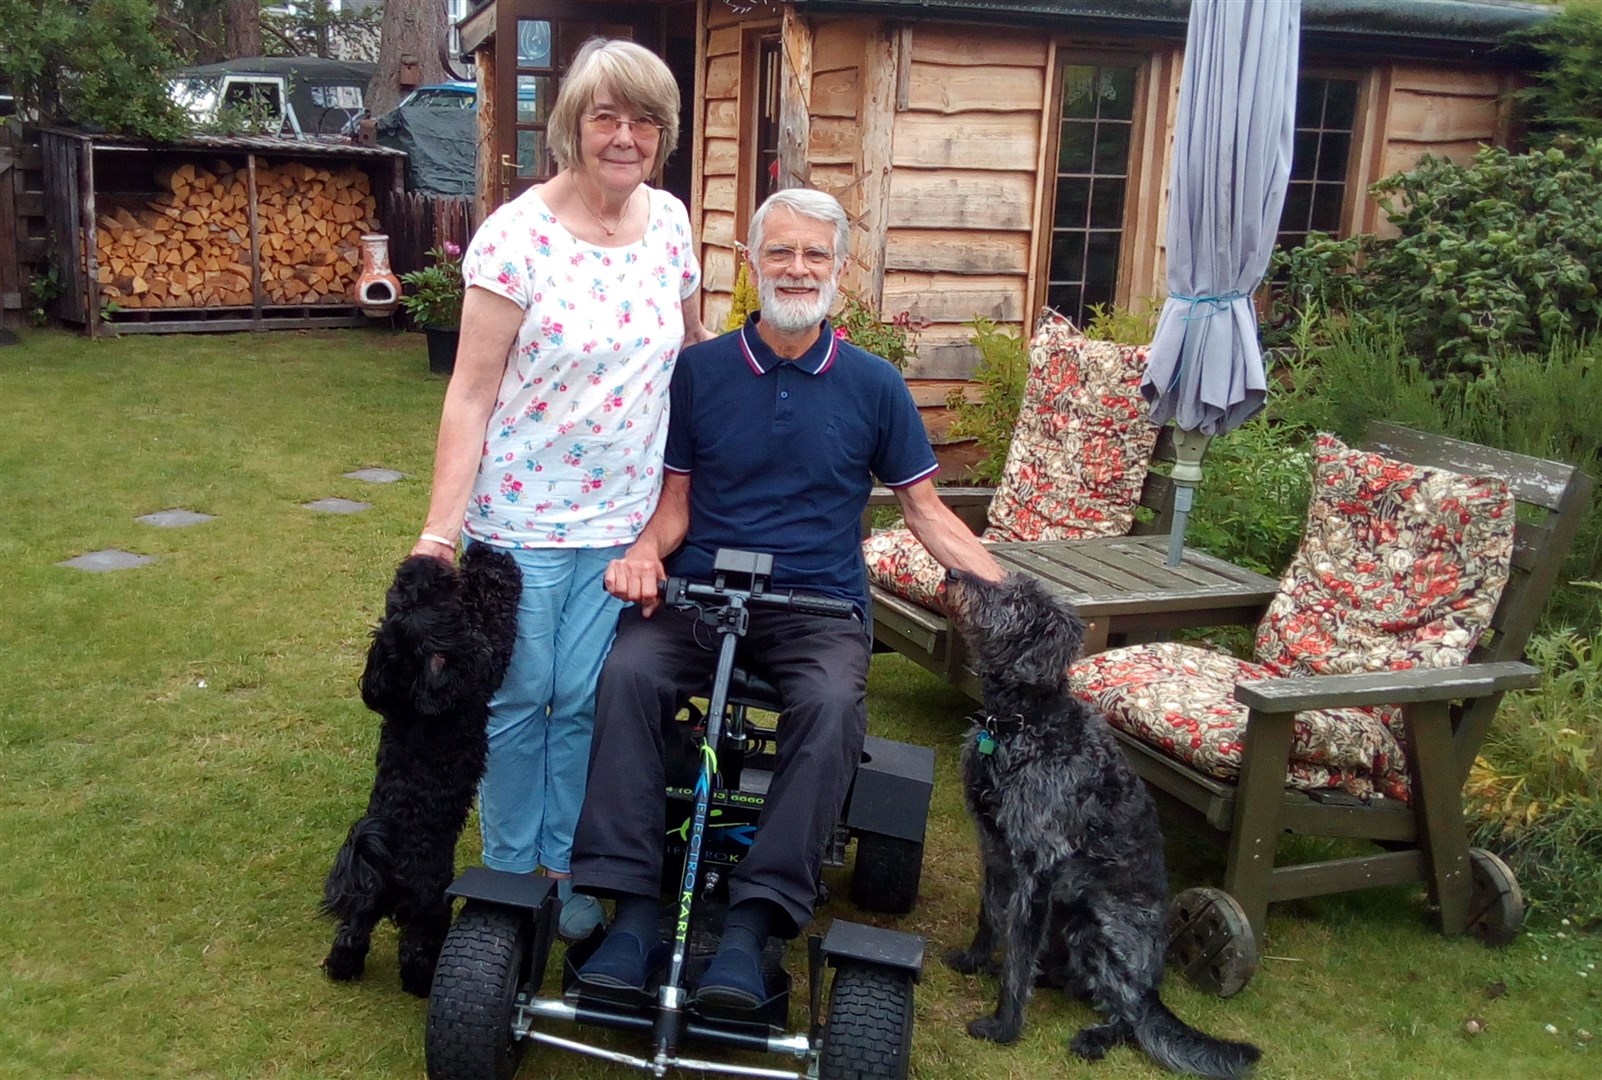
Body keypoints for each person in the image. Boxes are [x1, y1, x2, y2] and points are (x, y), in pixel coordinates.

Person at [571, 188, 1006, 1006]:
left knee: (833, 706)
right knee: (627, 671)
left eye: (815, 255)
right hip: (701, 593)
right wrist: (640, 555)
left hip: (818, 607)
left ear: (841, 269)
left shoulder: (875, 386)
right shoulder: (699, 373)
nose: (797, 269)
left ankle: (754, 925)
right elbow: (674, 508)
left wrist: (1010, 593)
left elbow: (926, 511)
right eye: (781, 252)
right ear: (752, 265)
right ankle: (629, 911)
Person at [411, 37, 708, 942]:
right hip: (522, 518)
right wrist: (438, 532)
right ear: (572, 128)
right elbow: (469, 392)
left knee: (584, 697)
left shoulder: (670, 224)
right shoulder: (516, 236)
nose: (626, 135)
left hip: (626, 524)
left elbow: (694, 357)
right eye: (606, 116)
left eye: (645, 119)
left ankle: (562, 866)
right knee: (517, 694)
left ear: (664, 133)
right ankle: (507, 877)